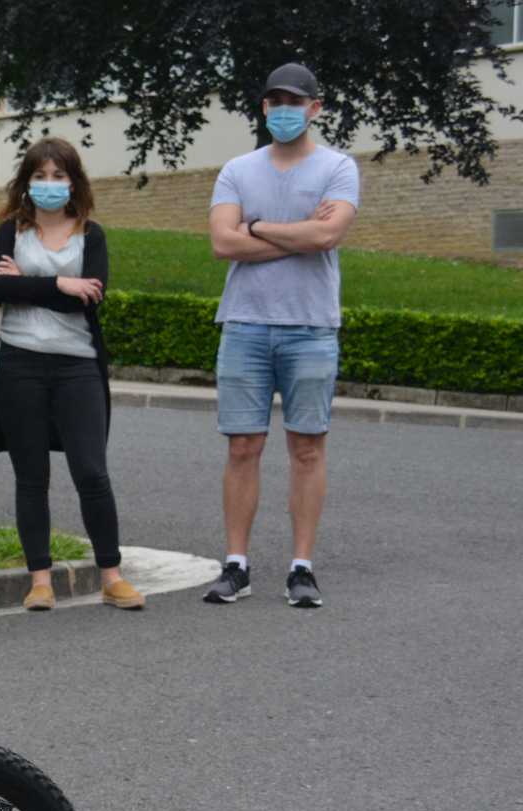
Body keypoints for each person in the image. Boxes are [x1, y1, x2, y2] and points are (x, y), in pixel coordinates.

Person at [204, 61, 358, 609]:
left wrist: (260, 226)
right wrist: (302, 235)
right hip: (245, 324)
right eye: (275, 102)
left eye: (296, 102)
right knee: (243, 446)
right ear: (264, 107)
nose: (285, 111)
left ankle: (301, 568)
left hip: (311, 328)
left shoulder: (339, 167)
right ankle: (237, 565)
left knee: (307, 449)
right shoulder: (237, 170)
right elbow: (223, 243)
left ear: (315, 109)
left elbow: (331, 232)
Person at [0, 138, 144, 612]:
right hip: (19, 364)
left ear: (73, 181)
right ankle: (40, 580)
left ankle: (111, 575)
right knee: (31, 476)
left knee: (91, 471)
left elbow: (90, 296)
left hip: (77, 367)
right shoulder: (12, 230)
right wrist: (59, 283)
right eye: (39, 176)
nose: (49, 185)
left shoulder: (91, 234)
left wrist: (25, 285)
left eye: (58, 175)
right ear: (25, 182)